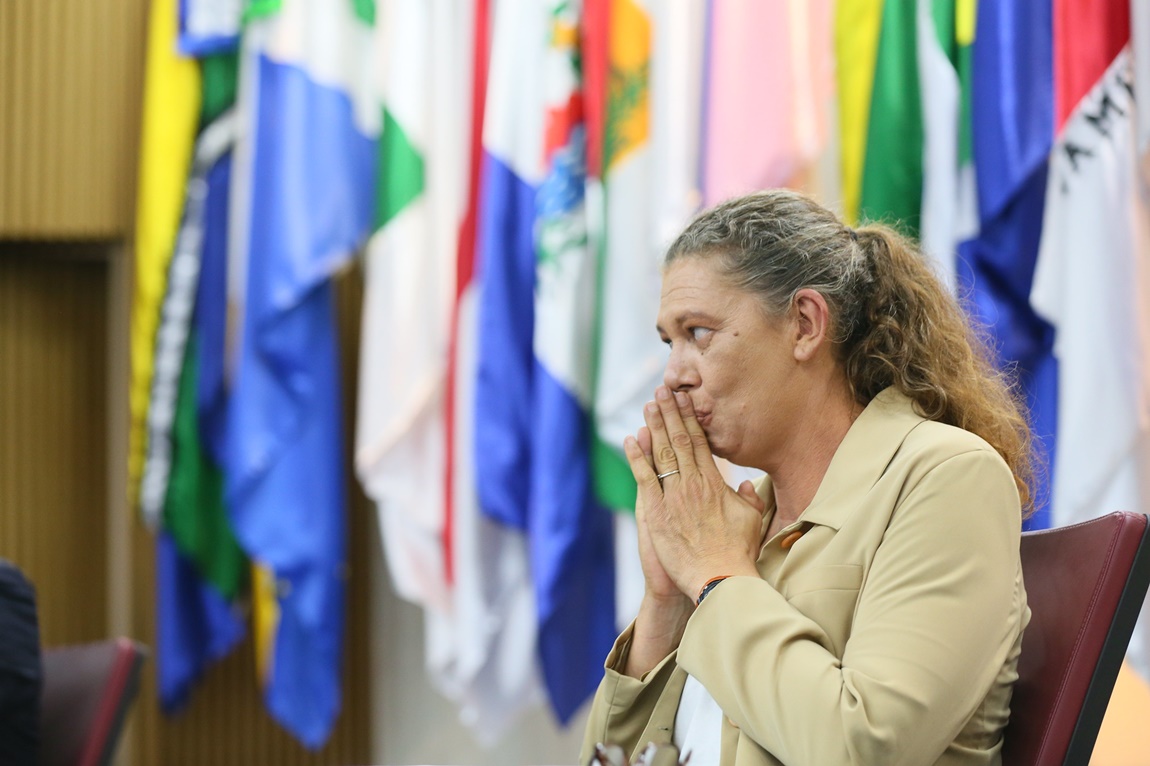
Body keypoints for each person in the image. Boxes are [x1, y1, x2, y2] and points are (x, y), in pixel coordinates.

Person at [580, 190, 1033, 766]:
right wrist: (667, 600)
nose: (673, 376)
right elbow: (609, 757)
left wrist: (716, 576)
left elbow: (861, 748)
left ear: (804, 324)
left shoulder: (948, 476)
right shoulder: (735, 525)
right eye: (670, 342)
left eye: (698, 333)